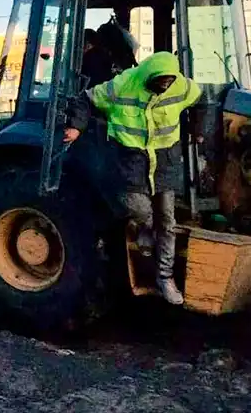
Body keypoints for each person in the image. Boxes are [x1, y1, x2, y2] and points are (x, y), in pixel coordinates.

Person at [64, 51, 201, 305]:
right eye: (161, 80)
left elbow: (201, 99)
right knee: (138, 208)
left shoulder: (181, 86)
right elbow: (86, 98)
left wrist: (199, 130)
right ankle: (144, 229)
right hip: (132, 162)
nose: (166, 85)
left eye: (169, 81)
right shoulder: (123, 84)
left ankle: (164, 277)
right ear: (149, 75)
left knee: (167, 221)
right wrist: (76, 127)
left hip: (164, 163)